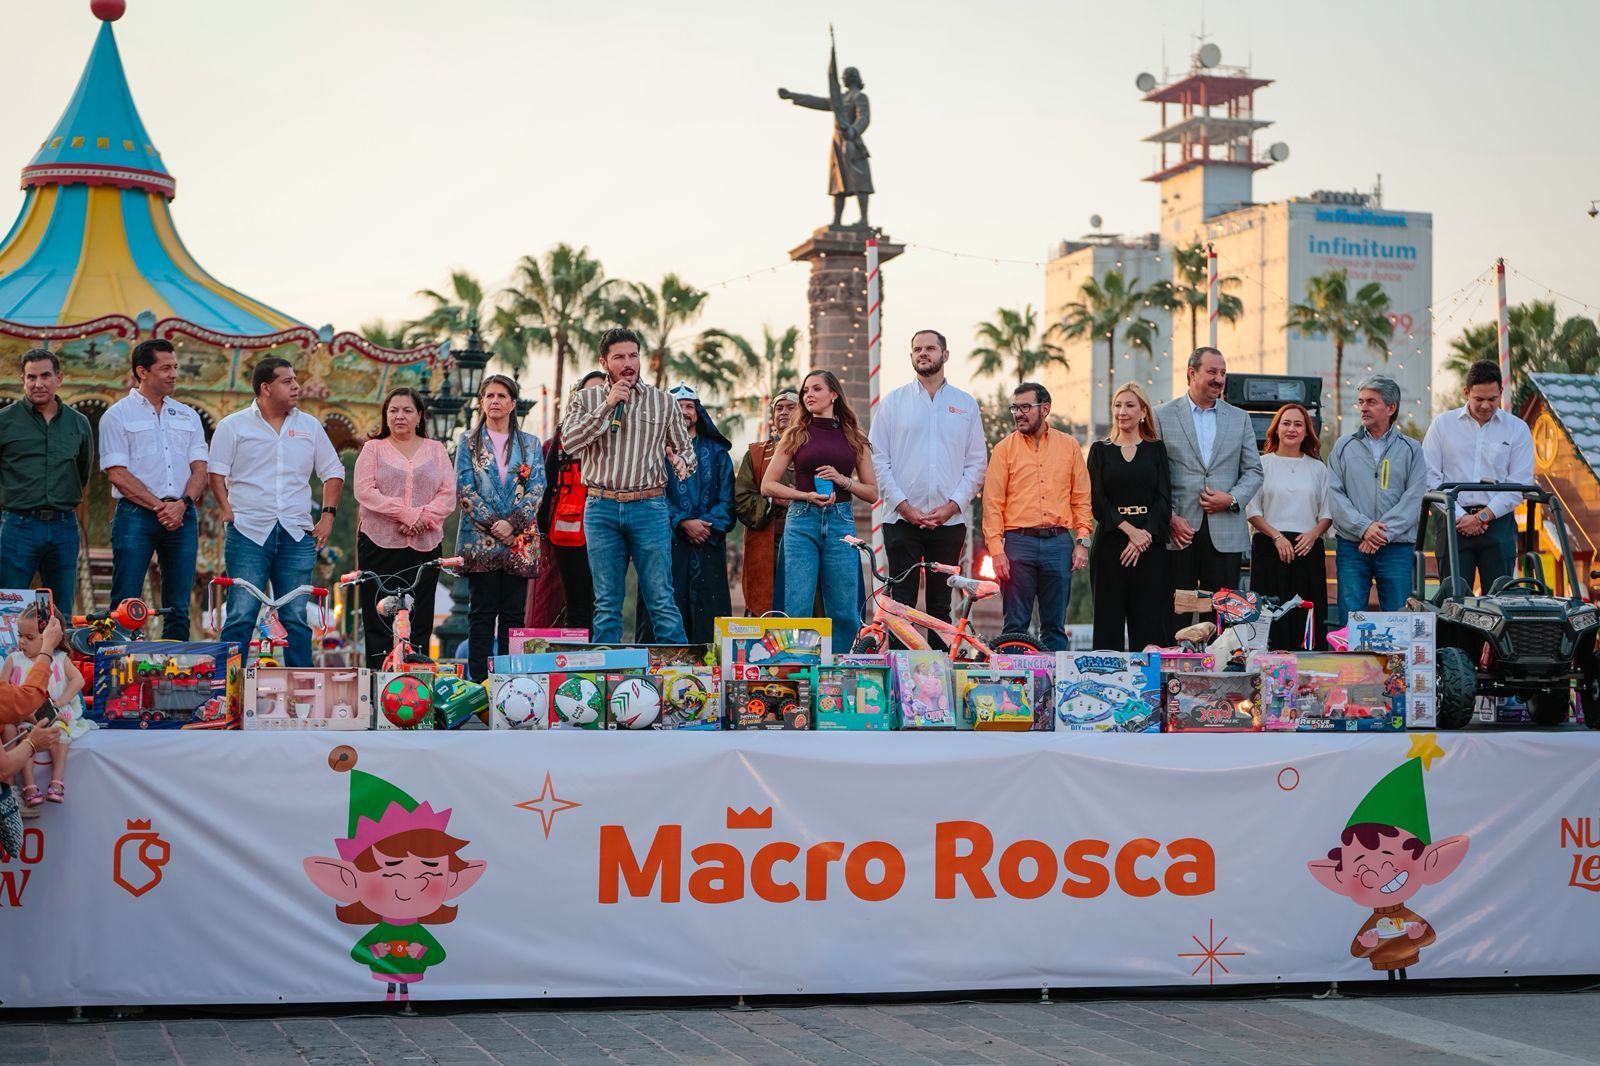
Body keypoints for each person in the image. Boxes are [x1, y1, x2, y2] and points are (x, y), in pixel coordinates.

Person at [560, 328, 695, 645]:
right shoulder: (585, 399)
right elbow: (569, 443)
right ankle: (604, 676)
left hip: (649, 507)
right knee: (606, 603)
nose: (628, 362)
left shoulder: (663, 402)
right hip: (601, 507)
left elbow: (686, 449)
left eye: (633, 355)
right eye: (619, 357)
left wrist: (682, 464)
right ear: (604, 361)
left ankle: (678, 680)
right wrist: (607, 406)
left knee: (661, 597)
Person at [209, 358, 345, 668]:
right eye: (288, 381)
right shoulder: (233, 425)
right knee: (240, 614)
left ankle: (302, 692)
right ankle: (228, 692)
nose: (297, 386)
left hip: (297, 532)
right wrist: (226, 510)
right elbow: (215, 472)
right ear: (266, 388)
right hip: (248, 531)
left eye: (296, 380)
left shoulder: (309, 425)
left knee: (297, 616)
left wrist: (328, 517)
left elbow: (334, 471)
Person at [869, 329, 987, 648]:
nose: (924, 353)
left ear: (944, 355)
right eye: (917, 349)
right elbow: (879, 459)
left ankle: (940, 685)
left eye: (930, 348)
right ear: (911, 357)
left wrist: (952, 506)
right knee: (900, 605)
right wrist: (904, 506)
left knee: (939, 606)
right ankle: (899, 682)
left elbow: (977, 463)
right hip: (900, 521)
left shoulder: (965, 405)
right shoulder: (893, 403)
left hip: (948, 523)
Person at [761, 369, 878, 653]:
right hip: (802, 520)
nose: (808, 395)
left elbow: (872, 492)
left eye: (816, 389)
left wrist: (843, 480)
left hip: (841, 522)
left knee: (844, 608)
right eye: (806, 391)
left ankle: (840, 674)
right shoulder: (796, 434)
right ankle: (794, 671)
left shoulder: (854, 438)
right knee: (797, 606)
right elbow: (768, 485)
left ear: (834, 394)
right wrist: (805, 495)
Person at [99, 339, 208, 640]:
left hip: (182, 515)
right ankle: (118, 669)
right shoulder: (117, 415)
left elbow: (200, 469)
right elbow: (117, 473)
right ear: (142, 371)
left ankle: (177, 673)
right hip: (137, 514)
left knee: (179, 603)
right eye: (166, 368)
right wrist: (161, 507)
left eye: (175, 367)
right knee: (125, 599)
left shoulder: (188, 415)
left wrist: (183, 504)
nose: (174, 374)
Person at [1155, 347, 1264, 637]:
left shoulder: (1239, 418)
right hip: (1179, 532)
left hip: (1225, 532)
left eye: (1223, 373)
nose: (1219, 379)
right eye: (1212, 372)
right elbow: (1155, 476)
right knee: (1175, 612)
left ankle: (1224, 673)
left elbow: (1254, 471)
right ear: (1192, 373)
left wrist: (1231, 499)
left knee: (1226, 616)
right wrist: (1170, 518)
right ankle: (1173, 674)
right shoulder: (1161, 415)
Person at [982, 382, 1091, 652]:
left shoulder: (1069, 446)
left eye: (1025, 407)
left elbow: (1081, 499)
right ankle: (1014, 689)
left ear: (1045, 409)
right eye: (1015, 408)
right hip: (1018, 544)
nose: (1019, 413)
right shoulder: (1003, 449)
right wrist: (997, 551)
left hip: (1059, 543)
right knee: (1015, 626)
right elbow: (993, 504)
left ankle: (1053, 688)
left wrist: (1082, 541)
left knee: (1054, 625)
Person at [353, 388, 456, 670]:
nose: (400, 416)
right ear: (385, 415)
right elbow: (365, 491)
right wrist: (406, 514)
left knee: (420, 614)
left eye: (407, 410)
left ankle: (416, 683)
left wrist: (424, 518)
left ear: (419, 416)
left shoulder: (436, 450)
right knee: (379, 613)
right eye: (393, 410)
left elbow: (448, 494)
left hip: (425, 544)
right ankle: (379, 683)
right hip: (379, 542)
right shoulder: (373, 449)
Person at [455, 375, 544, 682]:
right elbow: (465, 490)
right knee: (480, 616)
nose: (495, 401)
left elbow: (538, 487)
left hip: (519, 542)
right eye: (489, 395)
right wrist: (496, 524)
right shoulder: (467, 443)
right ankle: (479, 684)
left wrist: (513, 524)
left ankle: (510, 683)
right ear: (482, 402)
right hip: (481, 540)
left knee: (513, 617)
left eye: (502, 396)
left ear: (512, 403)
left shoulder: (530, 444)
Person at [1421, 360, 1535, 594]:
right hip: (1452, 521)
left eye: (1492, 399)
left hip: (1498, 523)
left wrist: (1483, 516)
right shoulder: (1442, 425)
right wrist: (1460, 517)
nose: (1485, 405)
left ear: (1501, 393)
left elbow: (1520, 484)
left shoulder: (1518, 429)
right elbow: (1429, 477)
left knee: (1502, 597)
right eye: (1479, 399)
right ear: (1466, 393)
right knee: (1452, 599)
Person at [0, 349, 93, 618]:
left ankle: (56, 660)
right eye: (31, 377)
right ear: (22, 380)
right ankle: (8, 661)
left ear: (59, 378)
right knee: (9, 604)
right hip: (18, 526)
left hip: (64, 526)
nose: (38, 383)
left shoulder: (79, 423)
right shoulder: (5, 421)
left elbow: (82, 472)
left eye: (45, 375)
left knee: (60, 607)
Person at [638, 385, 733, 645]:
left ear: (698, 412)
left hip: (708, 544)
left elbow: (727, 501)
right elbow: (648, 494)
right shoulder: (651, 453)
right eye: (677, 406)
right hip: (665, 544)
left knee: (709, 618)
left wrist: (704, 527)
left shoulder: (718, 453)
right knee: (663, 607)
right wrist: (682, 522)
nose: (683, 411)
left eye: (689, 406)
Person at [1327, 375, 1428, 616]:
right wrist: (1364, 528)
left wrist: (1379, 534)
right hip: (1352, 547)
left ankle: (1394, 657)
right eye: (1361, 402)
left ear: (1391, 407)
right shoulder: (1343, 446)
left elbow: (1413, 500)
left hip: (1396, 549)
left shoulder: (1412, 449)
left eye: (1371, 402)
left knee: (1399, 620)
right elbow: (1334, 494)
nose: (1363, 407)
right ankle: (1352, 657)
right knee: (1350, 621)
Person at [1086, 383, 1171, 651]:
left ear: (1144, 412)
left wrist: (1143, 535)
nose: (1122, 411)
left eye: (1129, 405)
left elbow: (1164, 499)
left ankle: (1150, 688)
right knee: (1107, 621)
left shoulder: (1156, 450)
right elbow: (1097, 502)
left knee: (1149, 621)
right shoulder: (1100, 450)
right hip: (1111, 543)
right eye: (1118, 405)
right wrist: (1130, 532)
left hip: (1150, 544)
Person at [1246, 403, 1333, 650]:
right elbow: (1252, 511)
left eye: (1298, 424)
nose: (1291, 429)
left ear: (1307, 431)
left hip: (1307, 549)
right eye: (1286, 423)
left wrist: (1314, 535)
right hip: (1268, 546)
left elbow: (1327, 513)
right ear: (1276, 429)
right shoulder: (1261, 464)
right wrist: (1277, 537)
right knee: (1268, 619)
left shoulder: (1318, 468)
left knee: (1305, 618)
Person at [532, 370, 607, 631]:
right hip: (569, 530)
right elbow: (546, 483)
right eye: (589, 392)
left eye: (601, 391)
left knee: (606, 602)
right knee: (575, 603)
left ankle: (605, 660)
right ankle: (579, 662)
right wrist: (542, 534)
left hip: (609, 529)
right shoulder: (565, 433)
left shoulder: (621, 431)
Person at [0, 606, 84, 807]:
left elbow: (78, 680)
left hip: (55, 714)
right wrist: (25, 714)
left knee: (60, 735)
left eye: (29, 637)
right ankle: (23, 787)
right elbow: (4, 689)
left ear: (50, 637)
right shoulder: (14, 659)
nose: (21, 641)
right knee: (18, 735)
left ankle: (57, 781)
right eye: (20, 635)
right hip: (23, 716)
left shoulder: (59, 658)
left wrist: (60, 702)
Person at [734, 388, 800, 615]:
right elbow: (741, 499)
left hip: (806, 539)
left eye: (791, 407)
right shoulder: (755, 454)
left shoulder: (815, 451)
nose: (784, 412)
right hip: (766, 541)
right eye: (779, 408)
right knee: (766, 608)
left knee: (805, 606)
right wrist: (775, 499)